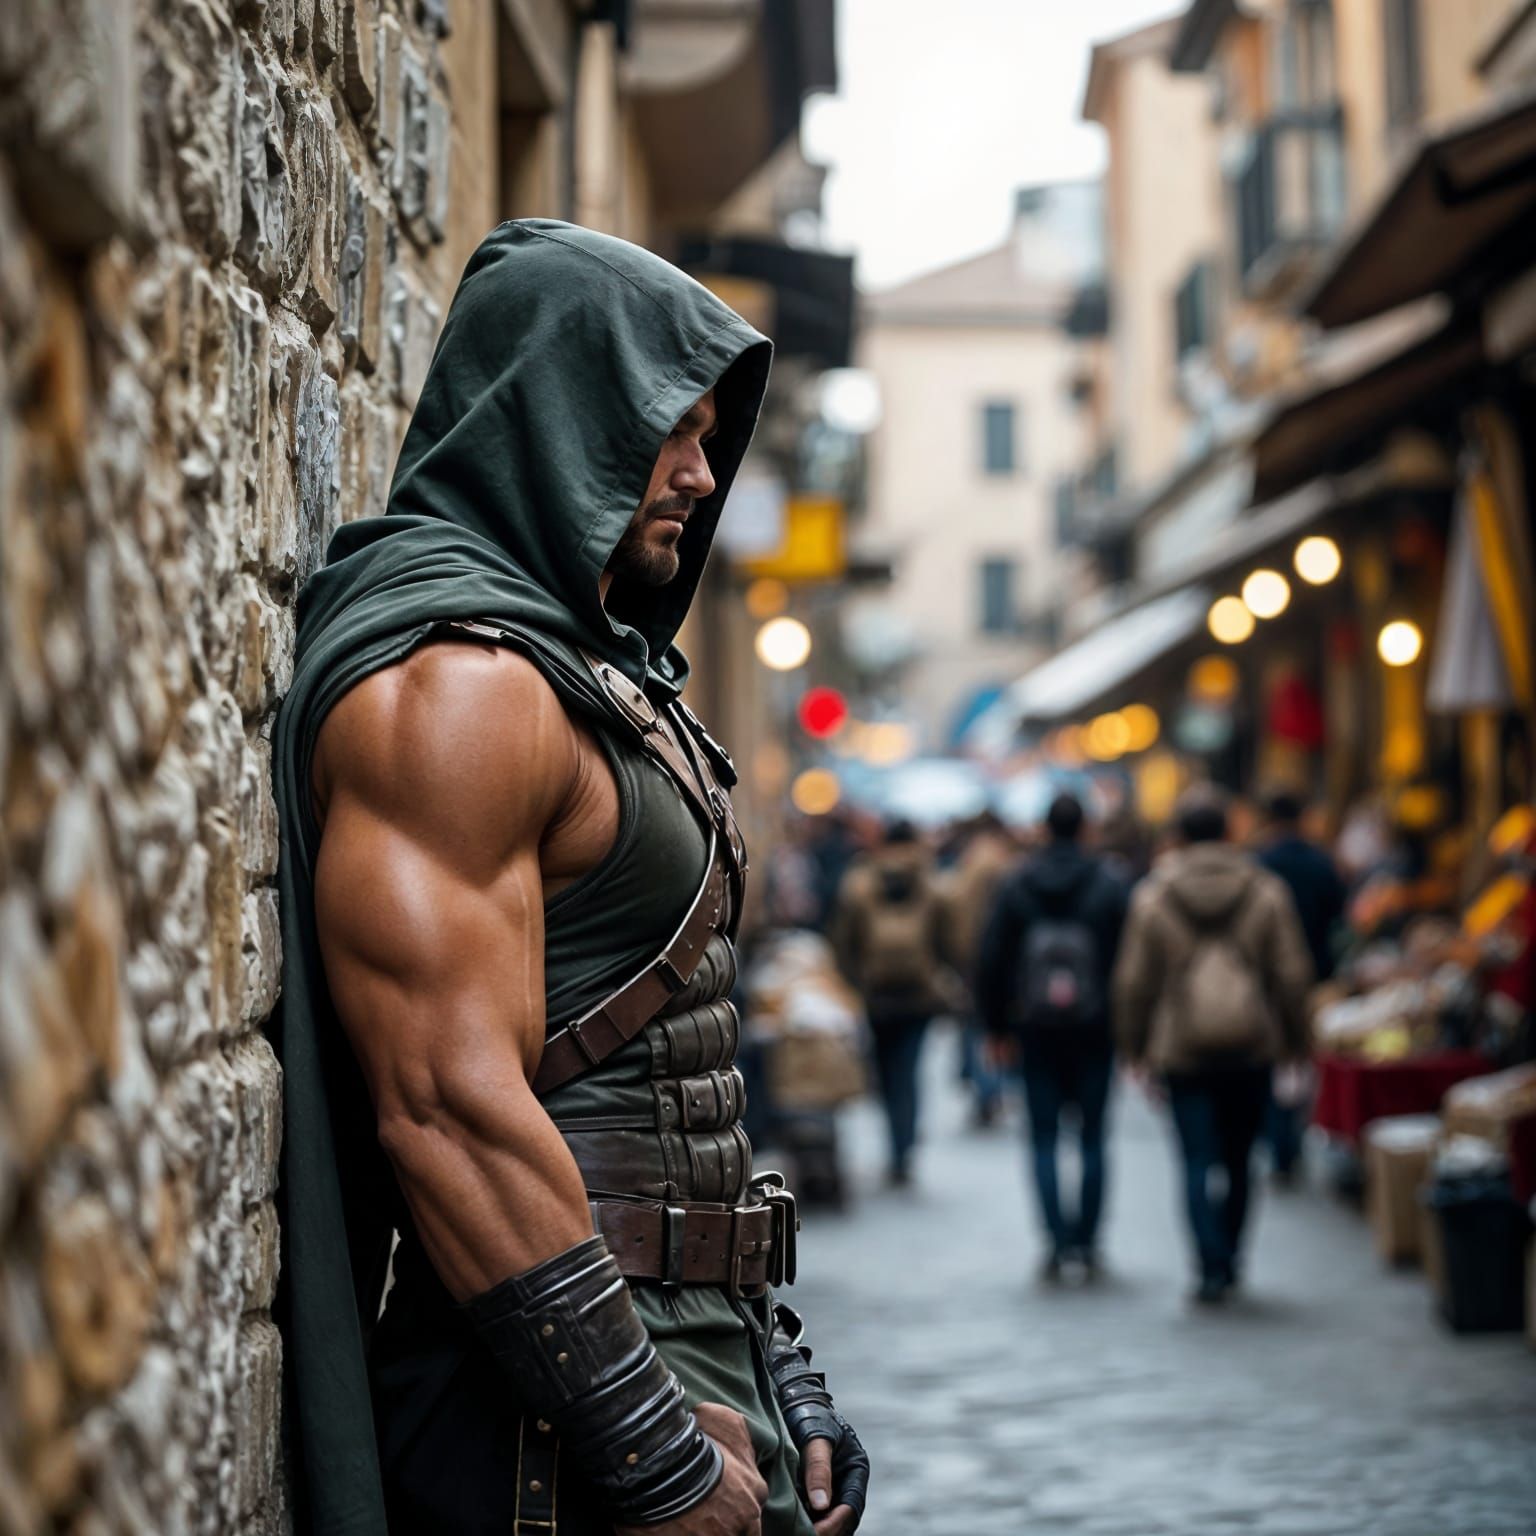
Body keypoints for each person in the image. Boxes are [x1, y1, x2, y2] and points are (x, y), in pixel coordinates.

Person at [270, 222, 868, 1536]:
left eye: (715, 437)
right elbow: (447, 1108)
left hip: (686, 1355)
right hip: (555, 1412)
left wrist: (785, 1377)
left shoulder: (586, 681)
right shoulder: (460, 692)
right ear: (563, 414)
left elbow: (678, 1083)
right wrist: (646, 1449)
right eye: (672, 430)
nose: (704, 476)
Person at [1114, 787, 1314, 1304]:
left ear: (1178, 836)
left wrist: (1133, 1046)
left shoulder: (1154, 894)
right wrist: (1297, 1040)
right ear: (1230, 832)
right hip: (1251, 1044)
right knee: (1241, 1156)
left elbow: (1135, 982)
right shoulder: (1265, 891)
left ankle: (1207, 1263)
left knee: (1195, 1158)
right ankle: (1233, 1254)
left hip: (1180, 1047)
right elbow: (1291, 975)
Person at [976, 794, 1128, 1279]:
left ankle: (1055, 1240)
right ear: (1085, 828)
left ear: (1044, 828)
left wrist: (996, 1027)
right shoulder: (1110, 883)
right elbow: (1129, 964)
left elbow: (992, 960)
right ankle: (1087, 1239)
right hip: (1095, 1029)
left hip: (1034, 1028)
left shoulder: (1018, 882)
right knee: (1093, 1137)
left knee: (1042, 1137)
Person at [831, 819, 951, 1185]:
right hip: (919, 995)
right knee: (909, 1070)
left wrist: (854, 981)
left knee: (884, 1071)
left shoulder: (860, 881)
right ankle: (905, 1147)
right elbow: (947, 938)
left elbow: (843, 939)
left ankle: (893, 1143)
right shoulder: (931, 882)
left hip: (877, 994)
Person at [1255, 789, 1346, 1181]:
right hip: (1315, 972)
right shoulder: (1320, 863)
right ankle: (1294, 1134)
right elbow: (1340, 915)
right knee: (1303, 1056)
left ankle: (1278, 1141)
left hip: (1267, 977)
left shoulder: (1259, 865)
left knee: (1274, 1057)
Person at [940, 813, 1018, 1128]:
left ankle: (984, 1089)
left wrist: (960, 955)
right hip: (1000, 957)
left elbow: (955, 912)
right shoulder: (1006, 866)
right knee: (995, 1024)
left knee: (975, 1026)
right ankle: (993, 1088)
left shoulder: (969, 868)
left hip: (973, 958)